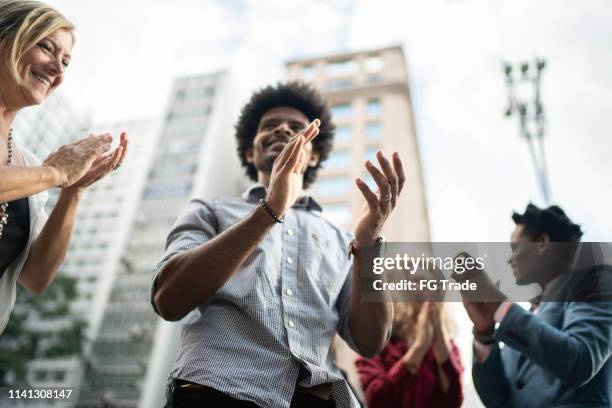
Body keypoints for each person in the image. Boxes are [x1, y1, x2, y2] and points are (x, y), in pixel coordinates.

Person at [151, 81, 405, 408]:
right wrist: (270, 210)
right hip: (216, 393)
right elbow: (168, 299)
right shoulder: (209, 210)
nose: (283, 129)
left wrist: (368, 244)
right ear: (249, 151)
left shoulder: (343, 240)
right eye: (269, 125)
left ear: (313, 156)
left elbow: (371, 342)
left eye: (296, 127)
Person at [0, 0, 128, 334]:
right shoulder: (39, 173)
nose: (58, 69)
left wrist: (73, 190)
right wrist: (55, 173)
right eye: (46, 47)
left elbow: (36, 275)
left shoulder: (26, 164)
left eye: (66, 62)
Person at [457, 204, 612, 408]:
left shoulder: (598, 279)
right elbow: (497, 401)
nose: (509, 259)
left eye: (515, 247)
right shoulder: (524, 316)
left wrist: (501, 308)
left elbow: (580, 361)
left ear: (542, 242)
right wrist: (484, 335)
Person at [356, 302, 463, 408]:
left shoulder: (449, 348)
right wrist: (420, 347)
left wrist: (439, 330)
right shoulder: (377, 346)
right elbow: (377, 400)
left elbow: (454, 400)